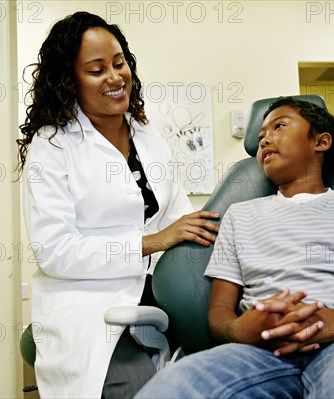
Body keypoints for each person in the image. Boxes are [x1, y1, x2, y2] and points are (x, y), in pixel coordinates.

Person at [135, 97, 334, 398]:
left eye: (279, 127)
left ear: (321, 141)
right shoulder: (240, 215)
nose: (265, 140)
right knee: (169, 389)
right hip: (259, 349)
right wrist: (243, 330)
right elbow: (220, 311)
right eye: (261, 136)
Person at [16, 11, 219, 399]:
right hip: (87, 307)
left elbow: (177, 217)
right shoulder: (52, 146)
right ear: (69, 80)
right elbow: (55, 252)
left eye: (118, 62)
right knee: (139, 389)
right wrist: (150, 241)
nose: (114, 77)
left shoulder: (150, 137)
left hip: (158, 293)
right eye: (96, 70)